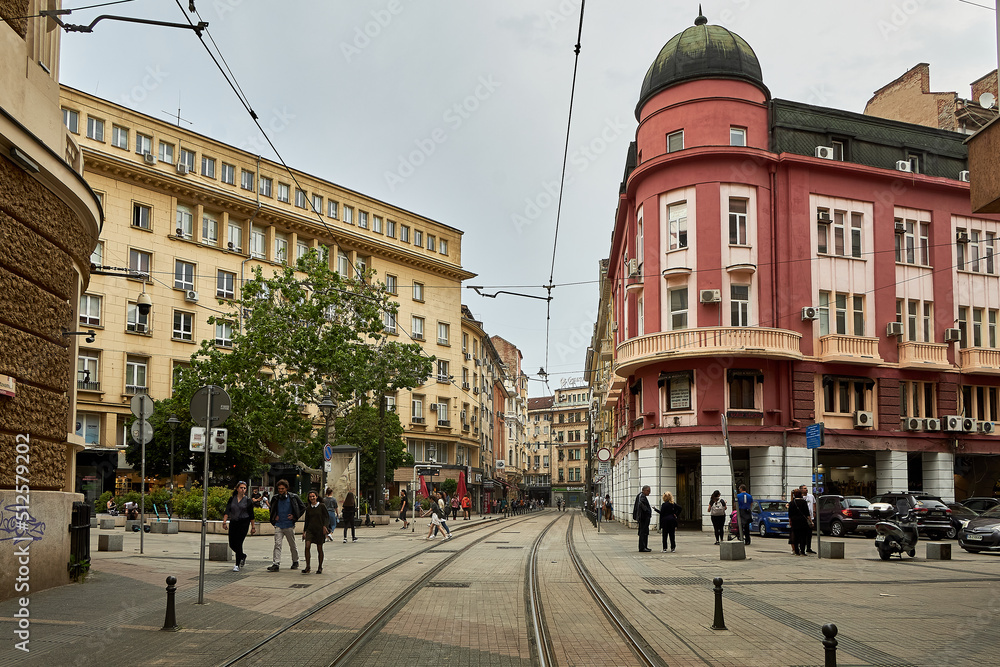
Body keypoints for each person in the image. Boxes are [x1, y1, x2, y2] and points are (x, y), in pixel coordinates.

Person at [266, 479, 304, 572]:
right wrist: (274, 516)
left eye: (282, 488)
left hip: (289, 524)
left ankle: (295, 561)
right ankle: (276, 563)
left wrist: (295, 516)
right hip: (279, 524)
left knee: (292, 544)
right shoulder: (276, 498)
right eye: (279, 489)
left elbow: (302, 507)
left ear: (286, 488)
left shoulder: (293, 497)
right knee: (277, 544)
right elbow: (271, 508)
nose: (280, 490)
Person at [222, 481, 256, 572]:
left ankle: (237, 564)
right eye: (241, 488)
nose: (243, 490)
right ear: (237, 489)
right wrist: (224, 522)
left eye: (244, 488)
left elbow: (251, 515)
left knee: (239, 542)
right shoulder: (232, 499)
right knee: (232, 543)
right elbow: (227, 511)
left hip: (244, 523)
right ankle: (242, 555)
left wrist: (253, 527)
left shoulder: (248, 500)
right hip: (233, 522)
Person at [301, 491, 330, 574]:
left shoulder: (321, 506)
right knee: (307, 546)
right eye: (310, 497)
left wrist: (325, 526)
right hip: (310, 529)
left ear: (316, 496)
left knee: (319, 548)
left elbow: (327, 517)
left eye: (313, 496)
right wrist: (304, 531)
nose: (312, 498)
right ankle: (307, 566)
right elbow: (307, 520)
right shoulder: (308, 508)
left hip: (319, 530)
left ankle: (320, 567)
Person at [788, 489, 812, 556]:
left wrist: (790, 521)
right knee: (803, 537)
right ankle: (802, 551)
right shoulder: (804, 502)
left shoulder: (792, 502)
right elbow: (807, 513)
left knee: (795, 536)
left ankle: (796, 551)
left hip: (794, 521)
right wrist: (810, 521)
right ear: (801, 494)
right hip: (803, 521)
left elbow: (790, 514)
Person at [632, 485, 653, 552]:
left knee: (645, 532)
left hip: (643, 517)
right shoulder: (642, 496)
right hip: (643, 517)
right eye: (648, 491)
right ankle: (642, 547)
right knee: (643, 532)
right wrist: (647, 511)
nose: (649, 493)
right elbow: (641, 504)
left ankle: (644, 546)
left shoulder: (640, 496)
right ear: (645, 490)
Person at [800, 484, 817, 554]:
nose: (806, 489)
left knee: (809, 533)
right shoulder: (800, 497)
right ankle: (801, 547)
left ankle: (808, 547)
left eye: (806, 488)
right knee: (802, 534)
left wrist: (814, 511)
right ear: (801, 490)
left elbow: (814, 503)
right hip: (803, 518)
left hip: (811, 517)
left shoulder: (811, 496)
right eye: (804, 488)